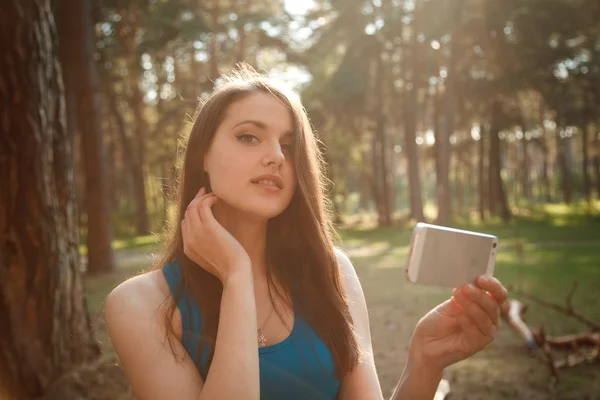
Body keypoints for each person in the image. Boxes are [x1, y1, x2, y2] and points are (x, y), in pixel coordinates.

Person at [104, 64, 508, 400]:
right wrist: (236, 276)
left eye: (290, 145)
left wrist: (425, 360)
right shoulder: (140, 305)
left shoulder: (331, 273)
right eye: (249, 136)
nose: (276, 157)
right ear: (203, 155)